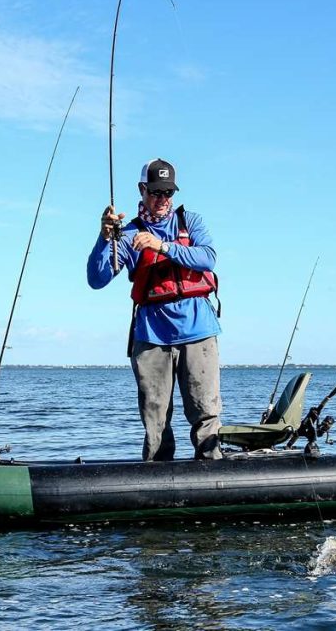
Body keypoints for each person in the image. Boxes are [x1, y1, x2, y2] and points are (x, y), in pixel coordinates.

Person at [87, 158, 223, 461]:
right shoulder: (127, 234)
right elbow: (96, 279)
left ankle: (212, 475)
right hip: (151, 334)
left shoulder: (192, 222)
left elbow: (207, 259)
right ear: (142, 189)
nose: (163, 200)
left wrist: (162, 246)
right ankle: (159, 480)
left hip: (198, 330)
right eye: (156, 192)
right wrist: (104, 237)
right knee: (156, 419)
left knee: (205, 413)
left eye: (168, 193)